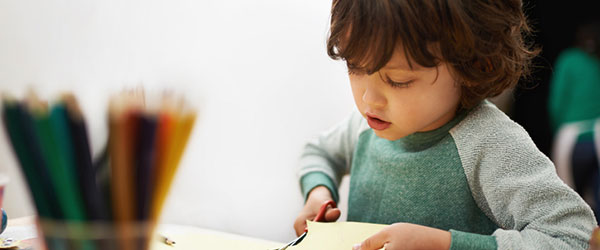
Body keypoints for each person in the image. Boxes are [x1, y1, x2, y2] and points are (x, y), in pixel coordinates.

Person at [294, 0, 597, 249]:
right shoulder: (364, 126)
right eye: (354, 67)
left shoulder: (488, 143)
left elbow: (573, 235)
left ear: (475, 65)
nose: (368, 100)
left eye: (398, 81)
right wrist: (318, 193)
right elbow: (318, 152)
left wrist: (444, 244)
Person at [548, 20, 600, 222]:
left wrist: (557, 128)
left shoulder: (568, 59)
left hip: (571, 138)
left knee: (568, 196)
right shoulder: (597, 60)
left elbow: (557, 101)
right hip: (598, 134)